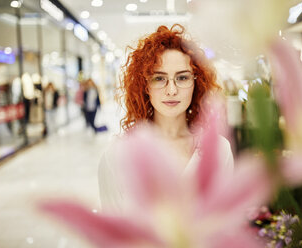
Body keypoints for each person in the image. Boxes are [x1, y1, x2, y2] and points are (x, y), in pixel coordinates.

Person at [98, 24, 234, 212]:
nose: (171, 90)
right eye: (159, 78)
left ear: (197, 83)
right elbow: (112, 234)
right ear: (144, 85)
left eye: (182, 78)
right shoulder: (118, 156)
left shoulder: (218, 150)